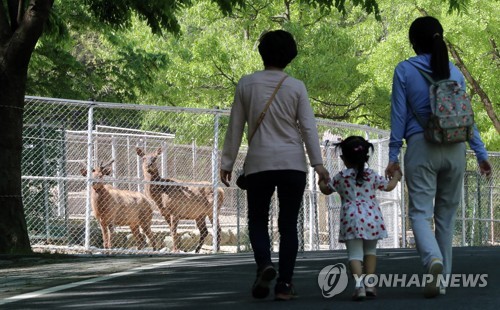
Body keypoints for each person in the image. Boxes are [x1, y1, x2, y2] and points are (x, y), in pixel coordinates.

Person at [385, 16, 492, 298]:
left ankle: (432, 259)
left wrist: (393, 155)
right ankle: (443, 280)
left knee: (420, 213)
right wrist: (480, 153)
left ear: (413, 42)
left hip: (422, 146)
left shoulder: (405, 70)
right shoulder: (455, 73)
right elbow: (469, 117)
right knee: (446, 216)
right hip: (456, 148)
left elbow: (398, 116)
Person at [220, 30, 330, 301]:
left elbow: (235, 126)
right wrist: (318, 165)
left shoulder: (246, 84)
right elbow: (308, 128)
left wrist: (227, 162)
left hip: (259, 164)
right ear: (289, 57)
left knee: (257, 219)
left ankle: (265, 265)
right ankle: (284, 285)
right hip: (293, 164)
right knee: (289, 224)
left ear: (261, 53)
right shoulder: (296, 87)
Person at [319, 136, 401, 301]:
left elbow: (326, 190)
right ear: (366, 157)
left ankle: (359, 286)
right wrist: (397, 176)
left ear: (343, 158)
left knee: (354, 255)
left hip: (351, 219)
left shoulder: (341, 177)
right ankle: (370, 284)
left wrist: (321, 179)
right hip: (372, 218)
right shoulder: (371, 175)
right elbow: (389, 186)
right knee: (370, 251)